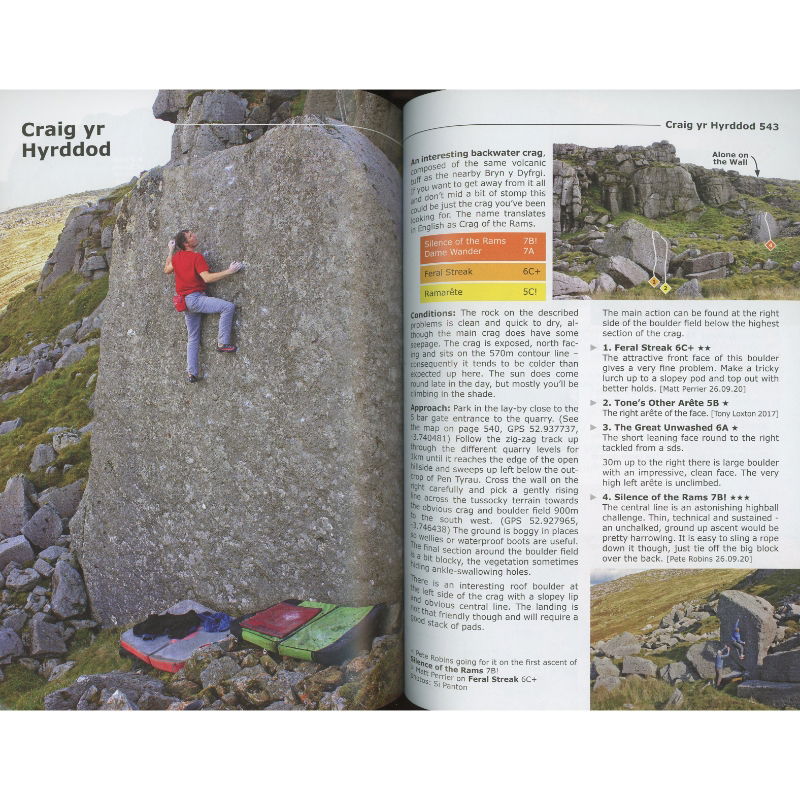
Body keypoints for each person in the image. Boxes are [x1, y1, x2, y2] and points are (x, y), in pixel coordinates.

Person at [164, 230, 243, 382]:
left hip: (185, 303)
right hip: (195, 299)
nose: (195, 236)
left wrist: (171, 250)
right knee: (228, 307)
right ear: (187, 243)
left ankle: (192, 373)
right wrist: (230, 271)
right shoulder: (196, 257)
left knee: (193, 337)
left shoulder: (177, 257)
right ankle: (222, 343)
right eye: (191, 236)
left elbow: (167, 269)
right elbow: (206, 278)